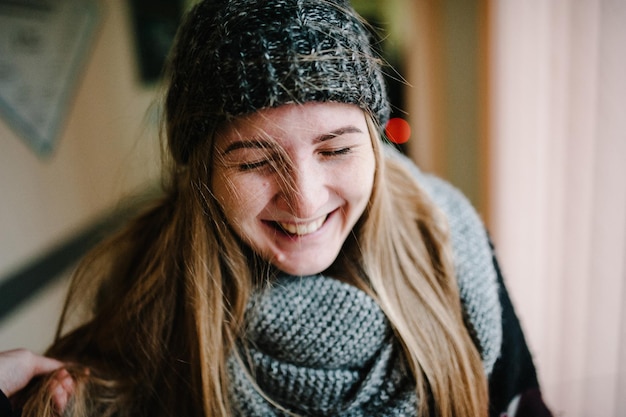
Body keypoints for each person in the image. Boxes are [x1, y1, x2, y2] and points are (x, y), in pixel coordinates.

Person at [3, 0, 553, 416]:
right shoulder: (144, 293)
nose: (306, 200)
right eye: (254, 162)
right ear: (204, 175)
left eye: (335, 149)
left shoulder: (451, 246)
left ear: (377, 145)